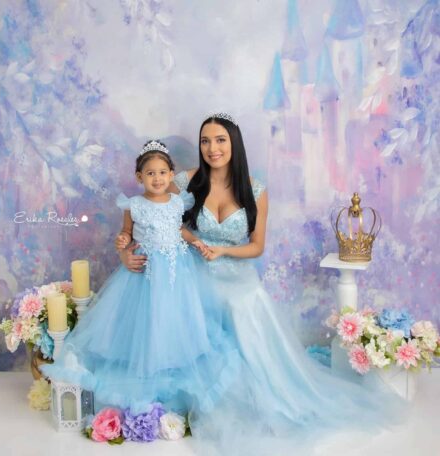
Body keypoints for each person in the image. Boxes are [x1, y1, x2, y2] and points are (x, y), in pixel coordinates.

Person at [120, 115, 404, 455]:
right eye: (205, 141)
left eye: (220, 140)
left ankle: (249, 398)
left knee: (244, 308)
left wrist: (224, 250)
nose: (212, 148)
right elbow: (150, 221)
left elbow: (256, 247)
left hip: (237, 274)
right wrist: (125, 253)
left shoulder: (255, 190)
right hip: (194, 273)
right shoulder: (183, 182)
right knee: (195, 316)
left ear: (234, 143)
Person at [42, 140, 239, 416]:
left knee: (174, 316)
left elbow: (178, 229)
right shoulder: (133, 205)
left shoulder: (176, 201)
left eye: (162, 172)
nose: (157, 178)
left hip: (176, 270)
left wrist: (195, 241)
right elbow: (126, 233)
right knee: (148, 319)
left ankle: (172, 362)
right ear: (139, 177)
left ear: (171, 175)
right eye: (150, 173)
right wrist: (123, 241)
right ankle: (146, 369)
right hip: (145, 271)